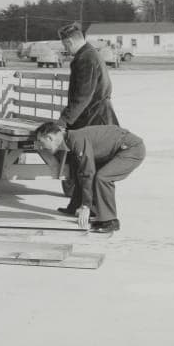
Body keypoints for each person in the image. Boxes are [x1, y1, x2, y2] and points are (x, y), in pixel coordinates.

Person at [56, 21, 120, 216]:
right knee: (78, 164)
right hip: (91, 116)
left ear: (69, 41)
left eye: (64, 45)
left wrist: (63, 121)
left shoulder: (86, 58)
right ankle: (76, 205)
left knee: (91, 166)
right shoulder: (87, 55)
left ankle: (93, 210)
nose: (64, 49)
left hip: (96, 119)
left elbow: (82, 96)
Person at [34, 122, 145, 233]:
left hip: (131, 149)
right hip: (115, 150)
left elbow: (88, 172)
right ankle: (80, 207)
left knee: (102, 177)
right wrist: (78, 206)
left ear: (50, 138)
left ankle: (110, 221)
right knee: (79, 171)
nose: (41, 146)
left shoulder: (76, 140)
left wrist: (85, 206)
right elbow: (81, 172)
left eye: (41, 141)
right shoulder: (69, 139)